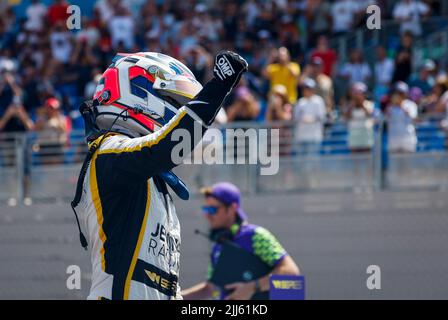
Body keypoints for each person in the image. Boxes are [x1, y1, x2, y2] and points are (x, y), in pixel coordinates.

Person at [72, 51, 248, 300]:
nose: (176, 113)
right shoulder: (106, 151)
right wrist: (219, 85)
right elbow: (163, 147)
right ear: (137, 94)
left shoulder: (152, 178)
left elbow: (163, 286)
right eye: (174, 103)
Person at [181, 182, 300, 300]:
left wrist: (251, 288)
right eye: (205, 209)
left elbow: (291, 273)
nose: (207, 215)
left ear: (232, 208)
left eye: (213, 209)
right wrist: (175, 297)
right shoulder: (218, 246)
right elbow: (210, 288)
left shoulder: (255, 236)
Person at [293, 78, 327, 155]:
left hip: (314, 136)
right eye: (305, 88)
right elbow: (296, 117)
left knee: (313, 162)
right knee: (301, 162)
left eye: (309, 88)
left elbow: (322, 117)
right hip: (301, 136)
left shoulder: (318, 101)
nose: (307, 90)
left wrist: (311, 119)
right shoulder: (300, 102)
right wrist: (303, 119)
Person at [386, 81, 418, 153]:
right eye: (397, 93)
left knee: (408, 163)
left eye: (401, 93)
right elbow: (386, 120)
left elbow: (414, 118)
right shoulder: (390, 107)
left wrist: (401, 106)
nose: (399, 95)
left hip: (408, 140)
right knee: (394, 163)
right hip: (394, 140)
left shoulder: (411, 105)